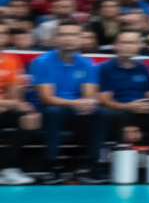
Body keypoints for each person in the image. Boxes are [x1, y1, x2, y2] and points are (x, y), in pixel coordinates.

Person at [31, 21, 108, 183]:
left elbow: (88, 94)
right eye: (63, 34)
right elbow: (46, 99)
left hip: (75, 109)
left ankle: (93, 165)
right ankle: (52, 166)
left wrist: (87, 103)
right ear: (55, 38)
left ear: (81, 39)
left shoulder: (87, 64)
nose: (68, 39)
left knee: (101, 113)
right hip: (50, 110)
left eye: (73, 34)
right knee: (55, 112)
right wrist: (76, 103)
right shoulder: (42, 62)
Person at [98, 30, 149, 157]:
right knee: (119, 116)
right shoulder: (105, 68)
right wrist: (129, 106)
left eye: (133, 43)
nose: (128, 46)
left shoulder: (144, 69)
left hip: (140, 110)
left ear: (139, 46)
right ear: (115, 46)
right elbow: (104, 101)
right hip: (118, 110)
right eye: (124, 43)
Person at [0, 23, 39, 185]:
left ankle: (8, 169)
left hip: (4, 107)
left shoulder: (12, 60)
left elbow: (16, 92)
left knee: (29, 118)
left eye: (3, 33)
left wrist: (20, 105)